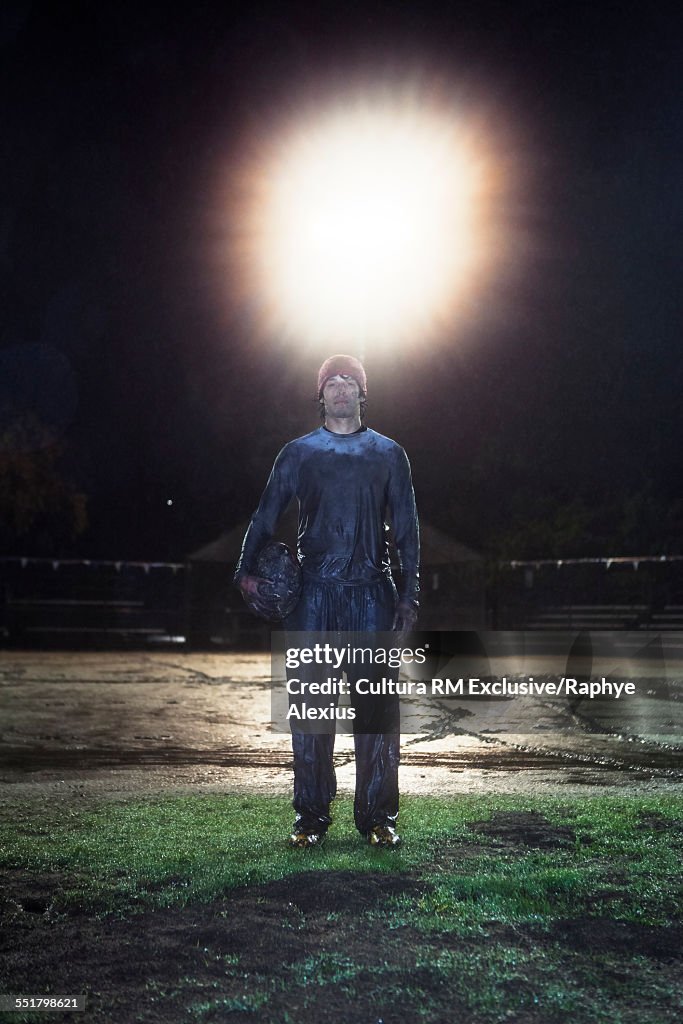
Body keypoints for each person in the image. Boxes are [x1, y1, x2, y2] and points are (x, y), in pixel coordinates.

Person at [235, 354, 419, 848]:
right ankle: (311, 819)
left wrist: (409, 595)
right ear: (321, 394)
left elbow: (406, 530)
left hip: (371, 594)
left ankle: (379, 818)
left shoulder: (388, 454)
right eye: (331, 381)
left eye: (350, 380)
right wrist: (243, 571)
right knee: (311, 713)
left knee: (377, 713)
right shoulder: (297, 453)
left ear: (363, 393)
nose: (340, 388)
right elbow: (264, 514)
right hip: (313, 596)